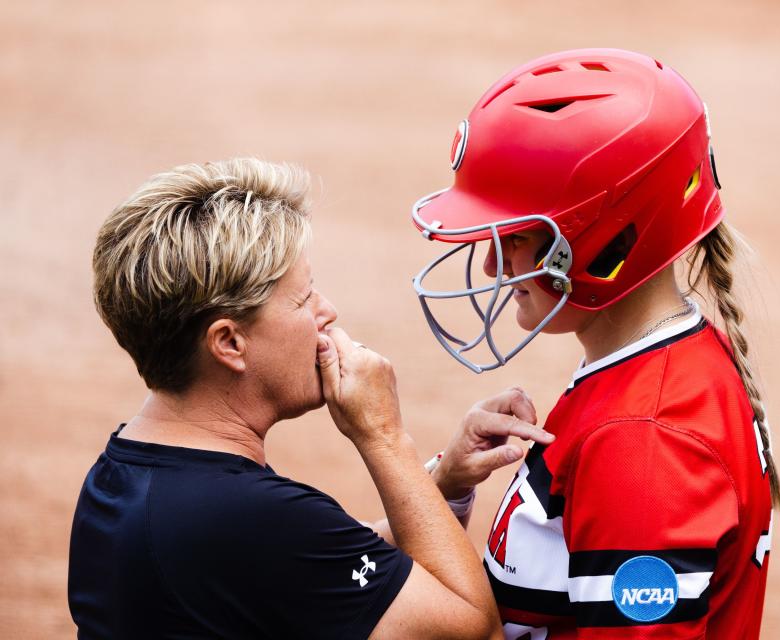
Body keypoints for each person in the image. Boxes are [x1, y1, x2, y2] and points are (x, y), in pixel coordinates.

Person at [69, 157, 550, 639]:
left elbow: (323, 569)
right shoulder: (250, 517)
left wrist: (443, 484)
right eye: (304, 299)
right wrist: (383, 437)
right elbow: (471, 629)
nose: (328, 312)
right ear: (230, 343)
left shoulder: (119, 474)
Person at [409, 49, 780, 639]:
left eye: (515, 236)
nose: (489, 264)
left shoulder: (645, 442)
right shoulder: (653, 374)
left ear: (608, 239)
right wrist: (446, 488)